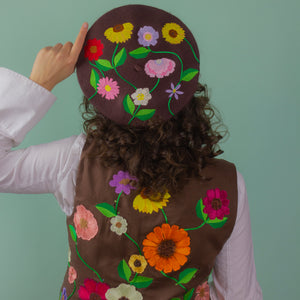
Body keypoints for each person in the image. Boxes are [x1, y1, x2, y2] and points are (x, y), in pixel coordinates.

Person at [0, 5, 263, 300]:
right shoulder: (227, 183)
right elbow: (241, 295)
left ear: (102, 99)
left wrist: (40, 82)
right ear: (186, 94)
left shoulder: (73, 161)